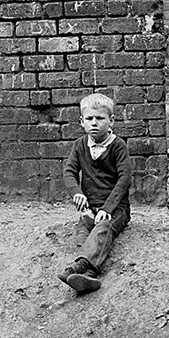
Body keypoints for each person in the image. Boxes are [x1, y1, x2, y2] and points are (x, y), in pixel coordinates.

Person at [58, 93, 132, 293]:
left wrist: (108, 208)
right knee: (83, 238)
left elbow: (125, 179)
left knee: (103, 228)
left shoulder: (118, 146)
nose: (94, 123)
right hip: (90, 208)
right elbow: (69, 171)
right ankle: (88, 277)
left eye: (100, 118)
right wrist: (77, 193)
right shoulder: (80, 145)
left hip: (115, 208)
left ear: (111, 121)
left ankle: (79, 268)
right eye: (89, 119)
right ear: (81, 122)